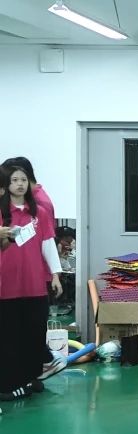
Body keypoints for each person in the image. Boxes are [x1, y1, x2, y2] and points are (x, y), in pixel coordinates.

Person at [0, 163, 63, 401]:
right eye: (14, 180)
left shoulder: (39, 214)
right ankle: (9, 384)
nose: (19, 184)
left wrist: (55, 274)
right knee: (10, 337)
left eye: (23, 180)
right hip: (6, 287)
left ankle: (31, 377)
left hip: (34, 285)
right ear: (6, 185)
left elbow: (48, 245)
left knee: (34, 333)